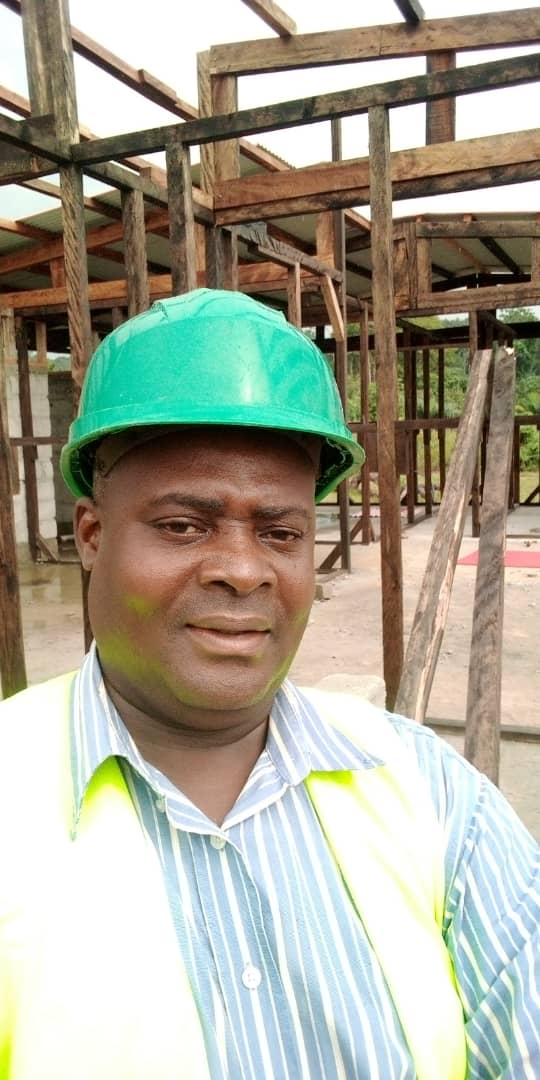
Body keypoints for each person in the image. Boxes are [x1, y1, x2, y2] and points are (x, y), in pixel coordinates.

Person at [0, 288, 538, 1080]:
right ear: (91, 533)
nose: (244, 571)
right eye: (184, 526)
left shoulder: (431, 792)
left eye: (281, 532)